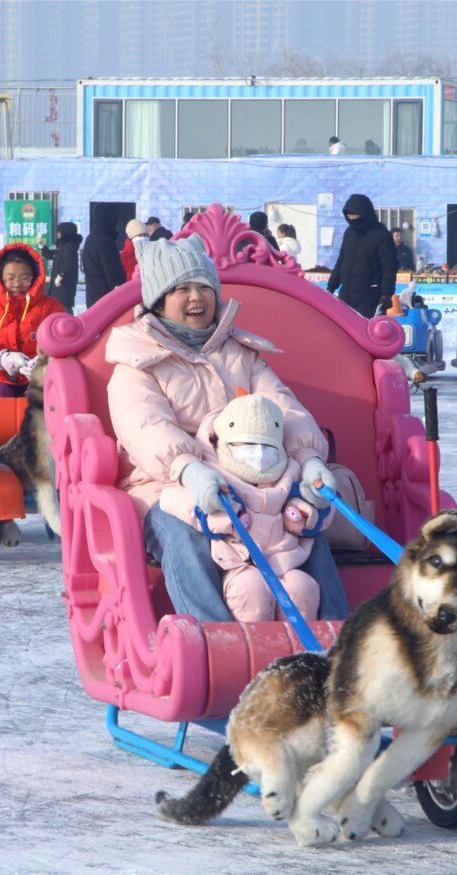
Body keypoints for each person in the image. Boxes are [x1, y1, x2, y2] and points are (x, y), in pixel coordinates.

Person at [104, 233, 349, 622]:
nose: (196, 297)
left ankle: (337, 638)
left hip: (254, 479)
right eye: (181, 288)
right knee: (185, 533)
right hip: (166, 485)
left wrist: (310, 458)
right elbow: (145, 427)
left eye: (204, 286)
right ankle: (213, 642)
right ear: (158, 300)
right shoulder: (136, 364)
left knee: (303, 518)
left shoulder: (240, 353)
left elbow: (281, 406)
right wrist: (189, 469)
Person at [158, 392, 328, 623]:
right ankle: (223, 643)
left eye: (265, 450)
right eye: (249, 448)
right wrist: (192, 474)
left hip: (285, 558)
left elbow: (287, 408)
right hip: (236, 556)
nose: (258, 456)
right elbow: (148, 427)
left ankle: (326, 644)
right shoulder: (216, 471)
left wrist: (310, 473)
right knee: (250, 591)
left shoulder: (288, 471)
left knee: (302, 587)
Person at [0, 243, 64, 397]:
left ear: (35, 277)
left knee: (41, 395)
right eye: (10, 278)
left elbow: (66, 346)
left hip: (39, 380)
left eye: (24, 278)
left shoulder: (51, 307)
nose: (17, 284)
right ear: (0, 278)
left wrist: (44, 363)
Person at [326, 193, 398, 318]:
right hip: (346, 295)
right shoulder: (349, 233)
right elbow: (342, 260)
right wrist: (331, 286)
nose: (351, 217)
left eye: (354, 214)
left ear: (364, 214)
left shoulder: (381, 235)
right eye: (349, 214)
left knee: (364, 334)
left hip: (370, 297)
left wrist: (386, 294)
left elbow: (389, 267)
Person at [80, 204, 126, 307]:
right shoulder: (105, 242)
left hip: (93, 297)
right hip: (107, 301)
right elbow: (113, 276)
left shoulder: (90, 238)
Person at [46, 221, 83, 311]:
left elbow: (69, 263)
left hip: (64, 285)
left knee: (64, 308)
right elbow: (51, 255)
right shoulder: (62, 246)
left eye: (60, 231)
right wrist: (42, 246)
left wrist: (61, 275)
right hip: (58, 286)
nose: (58, 234)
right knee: (59, 308)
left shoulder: (70, 246)